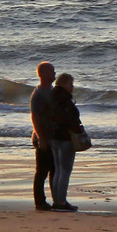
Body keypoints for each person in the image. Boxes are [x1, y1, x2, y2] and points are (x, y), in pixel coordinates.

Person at [47, 72, 84, 212]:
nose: (72, 87)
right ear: (63, 84)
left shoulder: (51, 97)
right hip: (65, 138)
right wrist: (78, 131)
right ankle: (61, 201)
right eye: (70, 84)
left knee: (58, 169)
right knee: (65, 170)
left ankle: (57, 200)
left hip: (53, 137)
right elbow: (70, 120)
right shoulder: (64, 100)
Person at [29, 62, 59, 210]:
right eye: (52, 71)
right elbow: (35, 117)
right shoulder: (39, 94)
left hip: (53, 137)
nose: (54, 73)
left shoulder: (52, 91)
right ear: (44, 74)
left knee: (54, 169)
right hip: (43, 137)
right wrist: (41, 138)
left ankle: (57, 199)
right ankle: (40, 202)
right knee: (42, 171)